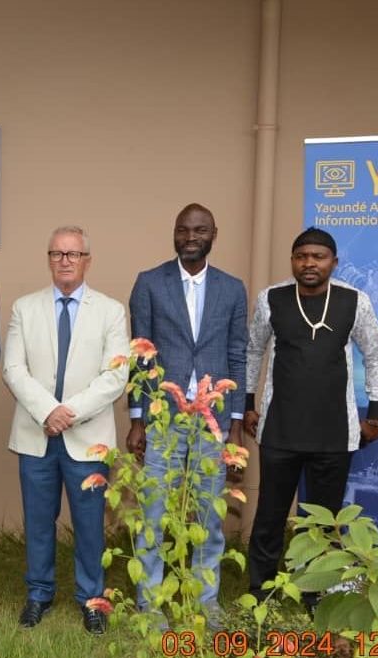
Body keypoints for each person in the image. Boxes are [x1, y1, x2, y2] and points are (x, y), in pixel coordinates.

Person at [244, 227, 378, 601]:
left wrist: (375, 411)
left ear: (334, 263)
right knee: (269, 518)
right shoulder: (271, 299)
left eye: (318, 256)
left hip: (334, 434)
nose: (309, 263)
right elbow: (253, 351)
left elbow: (375, 355)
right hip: (279, 430)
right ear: (293, 260)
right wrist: (246, 404)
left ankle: (314, 596)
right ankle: (260, 593)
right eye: (301, 256)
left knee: (323, 522)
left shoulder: (354, 301)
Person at [2, 226, 130, 635]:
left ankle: (91, 598)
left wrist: (68, 412)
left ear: (87, 260)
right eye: (57, 253)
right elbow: (14, 370)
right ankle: (39, 594)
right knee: (39, 521)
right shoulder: (25, 307)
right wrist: (47, 412)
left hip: (87, 437)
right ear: (49, 259)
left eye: (73, 254)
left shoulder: (111, 311)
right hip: (36, 435)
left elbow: (116, 375)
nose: (65, 261)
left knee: (90, 525)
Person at [126, 203, 247, 615]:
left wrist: (234, 425)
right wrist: (137, 418)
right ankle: (150, 602)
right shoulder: (149, 283)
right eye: (183, 229)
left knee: (209, 517)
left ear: (214, 234)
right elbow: (140, 355)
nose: (190, 237)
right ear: (174, 233)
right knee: (155, 512)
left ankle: (204, 602)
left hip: (213, 421)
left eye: (199, 230)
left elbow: (237, 354)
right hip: (164, 417)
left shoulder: (232, 288)